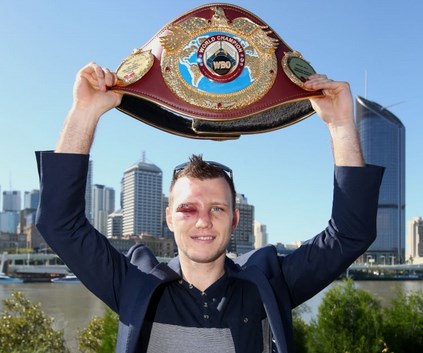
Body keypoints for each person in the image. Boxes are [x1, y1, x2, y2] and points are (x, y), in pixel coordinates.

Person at [35, 62, 384, 353]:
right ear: (168, 218)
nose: (203, 220)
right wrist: (84, 113)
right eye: (188, 208)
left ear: (234, 220)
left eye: (217, 209)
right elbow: (60, 223)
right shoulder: (134, 283)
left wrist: (341, 125)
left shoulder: (267, 283)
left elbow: (350, 233)